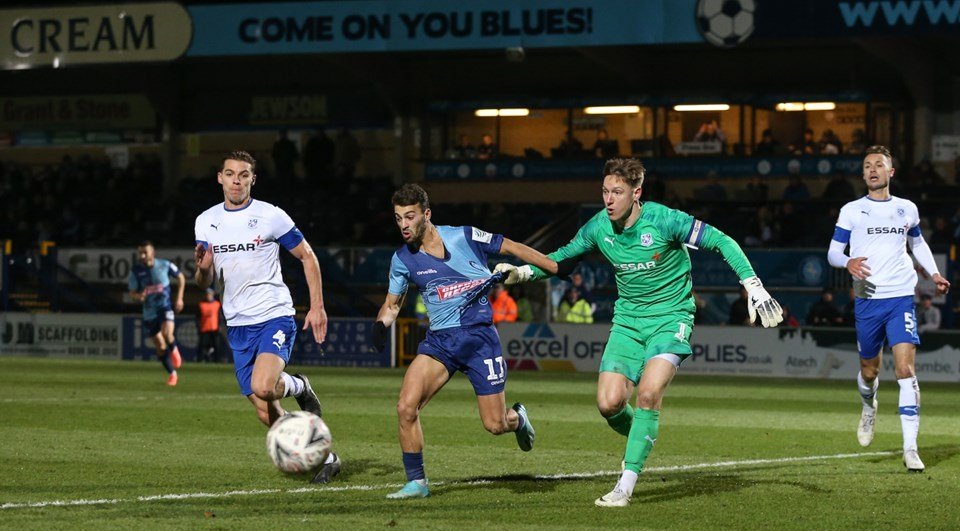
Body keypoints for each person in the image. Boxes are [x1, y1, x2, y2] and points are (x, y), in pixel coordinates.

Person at [496, 157, 783, 507]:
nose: (609, 199)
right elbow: (562, 260)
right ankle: (643, 434)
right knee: (609, 404)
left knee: (647, 395)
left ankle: (625, 484)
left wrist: (753, 285)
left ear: (637, 193)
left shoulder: (665, 220)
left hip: (671, 318)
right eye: (605, 191)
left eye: (617, 192)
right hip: (628, 322)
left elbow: (722, 241)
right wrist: (523, 273)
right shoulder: (599, 226)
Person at [371, 183, 556, 499]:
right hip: (440, 343)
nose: (403, 225)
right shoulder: (402, 259)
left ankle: (517, 418)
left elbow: (510, 246)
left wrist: (552, 266)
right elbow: (392, 305)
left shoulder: (464, 236)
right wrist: (380, 325)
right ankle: (417, 482)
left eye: (410, 216)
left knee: (495, 424)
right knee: (406, 407)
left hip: (480, 339)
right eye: (398, 218)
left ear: (427, 214)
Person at [193, 150, 341, 484]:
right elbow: (205, 281)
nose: (236, 181)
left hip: (273, 315)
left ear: (253, 179)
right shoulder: (205, 221)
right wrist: (201, 270)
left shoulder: (270, 215)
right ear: (220, 178)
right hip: (237, 324)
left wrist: (317, 306)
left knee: (263, 386)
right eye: (230, 174)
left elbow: (307, 256)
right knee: (266, 412)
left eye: (243, 175)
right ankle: (326, 457)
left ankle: (298, 385)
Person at [827, 145, 950, 473]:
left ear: (890, 172)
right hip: (867, 299)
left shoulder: (906, 208)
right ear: (863, 173)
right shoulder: (852, 210)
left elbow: (917, 243)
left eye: (879, 165)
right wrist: (847, 262)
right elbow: (833, 252)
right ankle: (869, 406)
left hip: (900, 297)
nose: (872, 169)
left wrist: (934, 273)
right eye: (867, 165)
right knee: (869, 371)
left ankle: (910, 448)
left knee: (905, 371)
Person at [128, 240, 185, 386]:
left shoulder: (165, 265)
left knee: (167, 333)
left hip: (165, 306)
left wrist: (179, 298)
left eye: (145, 252)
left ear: (152, 252)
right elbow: (132, 293)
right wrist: (138, 296)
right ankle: (172, 374)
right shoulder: (136, 271)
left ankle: (175, 350)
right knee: (160, 346)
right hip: (149, 312)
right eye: (140, 253)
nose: (142, 255)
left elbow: (181, 277)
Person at [197, 288, 222, 362]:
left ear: (212, 295)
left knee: (217, 346)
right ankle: (200, 360)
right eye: (207, 294)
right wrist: (198, 326)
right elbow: (197, 317)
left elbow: (219, 316)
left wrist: (219, 326)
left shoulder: (217, 304)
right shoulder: (201, 304)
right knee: (202, 346)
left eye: (210, 294)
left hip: (214, 329)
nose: (208, 296)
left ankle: (217, 360)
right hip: (204, 329)